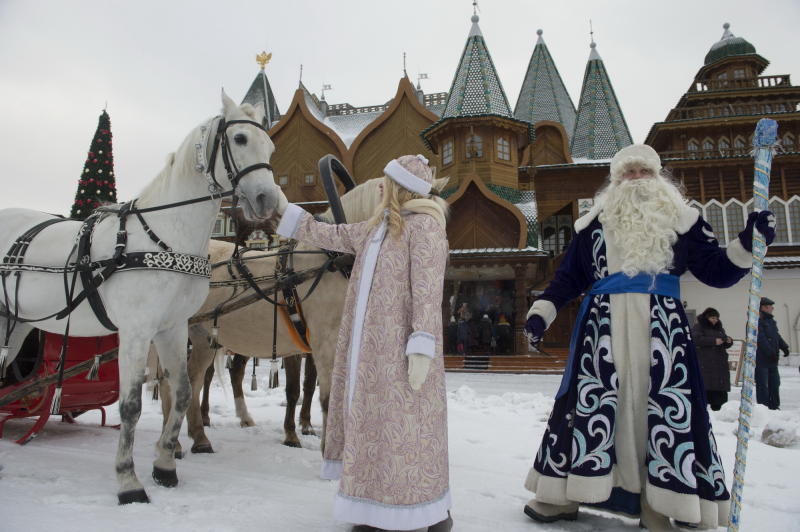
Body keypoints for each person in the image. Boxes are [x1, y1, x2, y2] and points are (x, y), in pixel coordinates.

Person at [521, 144, 775, 531]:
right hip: (601, 332)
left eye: (643, 172)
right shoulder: (591, 226)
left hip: (663, 334)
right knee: (589, 409)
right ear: (615, 181)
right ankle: (565, 495)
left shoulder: (684, 221)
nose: (636, 179)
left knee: (659, 411)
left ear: (659, 179)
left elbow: (717, 272)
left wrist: (747, 244)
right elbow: (567, 279)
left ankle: (658, 503)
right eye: (627, 173)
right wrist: (542, 313)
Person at [272, 154, 452, 532]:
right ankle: (371, 509)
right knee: (372, 427)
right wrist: (284, 210)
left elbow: (427, 290)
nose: (381, 186)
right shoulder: (376, 228)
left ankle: (422, 511)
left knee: (405, 427)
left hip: (401, 351)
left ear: (403, 187)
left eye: (388, 180)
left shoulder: (426, 228)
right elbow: (329, 234)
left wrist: (422, 343)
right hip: (369, 353)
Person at [691, 308, 733, 411]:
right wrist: (713, 341)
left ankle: (718, 408)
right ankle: (705, 408)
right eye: (712, 318)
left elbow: (724, 340)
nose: (715, 320)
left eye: (717, 318)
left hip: (719, 362)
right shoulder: (699, 327)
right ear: (707, 317)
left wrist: (728, 341)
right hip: (706, 362)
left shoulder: (719, 328)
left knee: (718, 387)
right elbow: (696, 339)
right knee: (707, 385)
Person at [755, 296, 790, 410]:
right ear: (763, 308)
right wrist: (770, 353)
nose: (772, 309)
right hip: (762, 360)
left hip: (772, 360)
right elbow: (761, 339)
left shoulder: (771, 321)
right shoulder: (756, 321)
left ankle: (774, 406)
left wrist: (784, 347)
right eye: (771, 307)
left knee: (775, 384)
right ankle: (764, 408)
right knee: (763, 386)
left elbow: (776, 337)